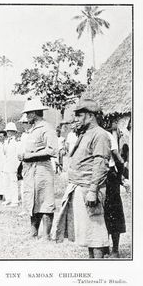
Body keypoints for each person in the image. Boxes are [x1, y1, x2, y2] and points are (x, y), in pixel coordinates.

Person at [53, 99, 111, 259]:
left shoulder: (99, 134)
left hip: (90, 188)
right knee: (87, 232)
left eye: (79, 115)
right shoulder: (86, 134)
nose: (76, 119)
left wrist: (93, 190)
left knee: (96, 232)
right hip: (80, 187)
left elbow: (100, 164)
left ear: (91, 115)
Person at [18, 98, 57, 240]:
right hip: (30, 170)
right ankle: (33, 232)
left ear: (34, 113)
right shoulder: (32, 130)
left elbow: (52, 150)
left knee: (46, 201)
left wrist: (29, 155)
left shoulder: (47, 128)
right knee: (32, 200)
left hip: (42, 169)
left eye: (28, 113)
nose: (27, 116)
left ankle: (46, 235)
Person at [103, 124, 126, 258]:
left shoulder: (107, 136)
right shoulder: (86, 135)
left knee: (113, 212)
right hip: (95, 175)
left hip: (109, 175)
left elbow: (119, 160)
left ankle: (115, 249)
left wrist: (118, 178)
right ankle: (104, 247)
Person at [2, 122, 21, 207]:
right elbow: (4, 154)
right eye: (8, 131)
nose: (9, 133)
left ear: (15, 132)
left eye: (11, 131)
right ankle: (8, 199)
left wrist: (16, 167)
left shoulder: (17, 142)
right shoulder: (6, 142)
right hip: (6, 165)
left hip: (13, 165)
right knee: (6, 183)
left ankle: (15, 201)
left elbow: (18, 155)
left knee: (13, 183)